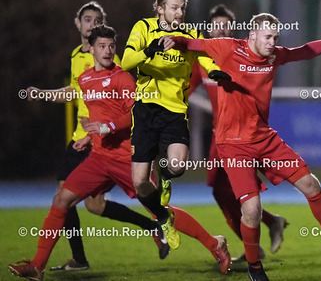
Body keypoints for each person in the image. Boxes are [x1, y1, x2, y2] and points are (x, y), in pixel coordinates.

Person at [9, 25, 231, 280]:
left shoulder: (122, 77)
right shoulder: (85, 78)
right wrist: (85, 132)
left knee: (160, 211)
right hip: (99, 158)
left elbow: (134, 113)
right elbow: (89, 103)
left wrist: (107, 127)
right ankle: (37, 267)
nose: (108, 51)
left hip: (128, 157)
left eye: (112, 46)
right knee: (61, 200)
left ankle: (214, 244)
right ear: (91, 49)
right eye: (102, 46)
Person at [170, 13, 321, 281]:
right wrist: (169, 39)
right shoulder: (228, 47)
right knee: (252, 210)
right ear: (252, 35)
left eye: (275, 37)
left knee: (311, 185)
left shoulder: (274, 56)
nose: (272, 42)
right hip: (233, 145)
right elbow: (191, 43)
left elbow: (306, 51)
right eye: (267, 37)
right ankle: (255, 266)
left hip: (264, 139)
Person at [25, 1, 169, 272]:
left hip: (109, 143)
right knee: (76, 201)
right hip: (84, 140)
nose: (92, 24)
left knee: (92, 201)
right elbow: (75, 91)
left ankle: (184, 234)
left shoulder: (112, 63)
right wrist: (44, 94)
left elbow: (125, 105)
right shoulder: (76, 57)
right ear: (78, 24)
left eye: (97, 20)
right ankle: (69, 260)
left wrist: (105, 128)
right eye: (88, 19)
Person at [121, 0, 219, 250]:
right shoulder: (144, 27)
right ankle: (164, 217)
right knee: (140, 182)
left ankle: (164, 174)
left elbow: (206, 57)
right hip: (145, 110)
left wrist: (215, 72)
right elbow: (126, 62)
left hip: (174, 110)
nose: (179, 12)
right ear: (160, 9)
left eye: (182, 8)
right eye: (174, 7)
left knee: (177, 165)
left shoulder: (190, 34)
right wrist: (148, 51)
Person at [189, 4, 288, 262]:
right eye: (216, 26)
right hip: (220, 137)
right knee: (220, 192)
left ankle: (256, 245)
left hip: (243, 137)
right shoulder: (203, 62)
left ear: (232, 29)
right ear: (209, 29)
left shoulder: (238, 55)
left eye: (226, 26)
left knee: (236, 193)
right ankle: (269, 225)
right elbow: (185, 90)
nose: (221, 30)